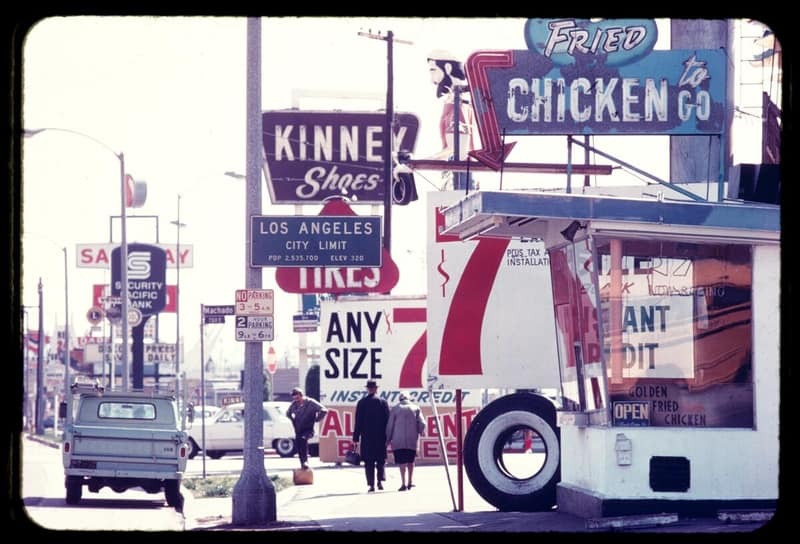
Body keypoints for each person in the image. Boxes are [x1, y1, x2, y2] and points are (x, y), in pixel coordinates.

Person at [426, 50, 477, 191]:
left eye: (433, 70)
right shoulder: (458, 103)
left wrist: (428, 159)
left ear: (447, 68)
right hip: (455, 173)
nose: (432, 79)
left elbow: (458, 150)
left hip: (459, 174)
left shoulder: (459, 105)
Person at [352, 379, 390, 492]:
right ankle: (379, 481)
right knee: (380, 460)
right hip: (380, 436)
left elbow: (358, 422)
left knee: (369, 461)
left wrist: (355, 438)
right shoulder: (383, 402)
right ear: (376, 389)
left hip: (367, 437)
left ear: (367, 389)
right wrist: (388, 437)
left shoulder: (362, 403)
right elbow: (388, 421)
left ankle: (371, 484)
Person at [386, 391, 426, 491]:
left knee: (401, 462)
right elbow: (422, 423)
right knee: (411, 461)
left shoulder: (395, 409)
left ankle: (403, 483)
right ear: (409, 399)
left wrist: (388, 438)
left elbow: (390, 426)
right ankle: (410, 481)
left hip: (398, 440)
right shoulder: (416, 408)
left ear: (400, 399)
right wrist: (421, 431)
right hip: (411, 440)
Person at [286, 387, 327, 470]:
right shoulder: (294, 404)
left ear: (302, 396)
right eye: (294, 398)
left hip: (308, 429)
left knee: (303, 440)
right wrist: (293, 420)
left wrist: (317, 418)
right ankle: (303, 464)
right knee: (299, 445)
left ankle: (305, 462)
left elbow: (324, 410)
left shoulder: (310, 402)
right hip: (298, 429)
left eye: (298, 398)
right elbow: (288, 413)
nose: (297, 400)